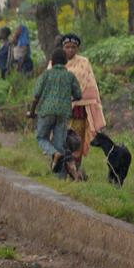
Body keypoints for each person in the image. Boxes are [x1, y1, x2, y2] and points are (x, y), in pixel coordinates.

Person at [56, 33, 106, 178]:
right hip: (60, 109)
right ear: (62, 47)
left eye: (73, 47)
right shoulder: (57, 61)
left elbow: (91, 86)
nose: (70, 50)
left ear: (78, 48)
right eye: (67, 47)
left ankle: (76, 171)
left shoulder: (84, 63)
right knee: (60, 139)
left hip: (79, 109)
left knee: (76, 141)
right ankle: (61, 170)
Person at [28, 47, 82, 178]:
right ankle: (61, 178)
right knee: (60, 144)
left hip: (46, 111)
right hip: (63, 113)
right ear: (65, 62)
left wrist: (32, 112)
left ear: (52, 62)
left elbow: (36, 96)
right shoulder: (70, 76)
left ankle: (53, 153)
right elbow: (79, 95)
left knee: (41, 137)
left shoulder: (46, 75)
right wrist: (68, 98)